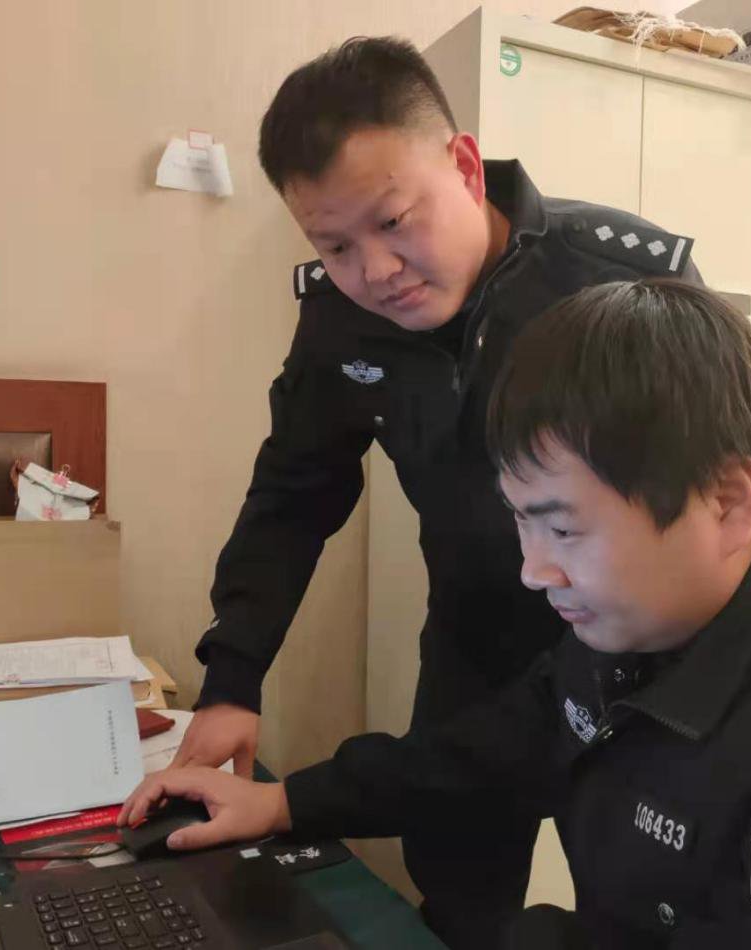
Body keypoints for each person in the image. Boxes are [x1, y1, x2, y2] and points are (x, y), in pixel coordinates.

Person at [122, 280, 751, 948]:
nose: (534, 570)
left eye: (562, 527)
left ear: (727, 500)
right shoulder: (667, 593)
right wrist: (287, 801)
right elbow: (516, 733)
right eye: (521, 523)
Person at [159, 36, 700, 947]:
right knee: (455, 904)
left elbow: (718, 499)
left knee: (637, 904)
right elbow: (293, 495)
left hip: (638, 659)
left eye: (395, 222)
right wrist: (230, 682)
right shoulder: (341, 318)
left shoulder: (619, 282)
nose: (375, 270)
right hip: (475, 647)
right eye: (334, 245)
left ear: (464, 165)